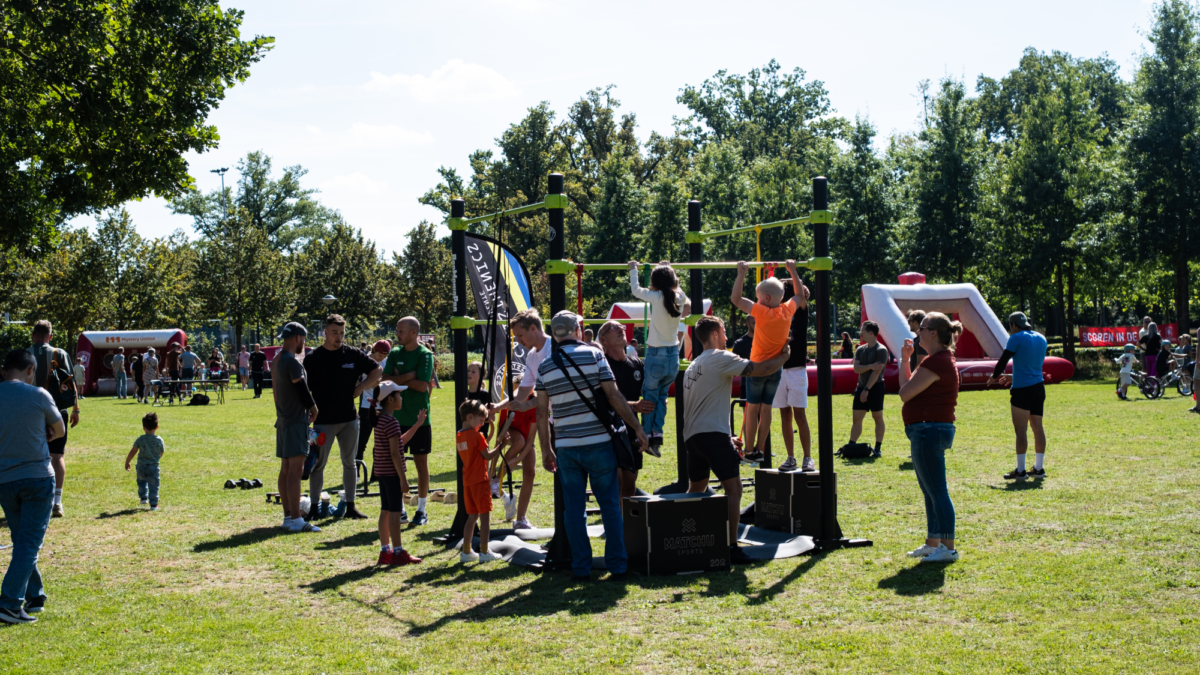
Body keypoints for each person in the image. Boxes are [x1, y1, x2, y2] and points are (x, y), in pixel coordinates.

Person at [535, 311, 648, 581]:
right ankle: (618, 565)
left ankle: (581, 567)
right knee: (610, 504)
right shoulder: (595, 356)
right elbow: (613, 395)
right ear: (577, 329)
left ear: (554, 334)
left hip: (565, 446)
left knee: (573, 509)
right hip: (598, 442)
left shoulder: (545, 366)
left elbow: (541, 414)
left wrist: (546, 449)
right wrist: (637, 427)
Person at [683, 316, 790, 565]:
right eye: (723, 332)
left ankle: (688, 537)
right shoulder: (720, 357)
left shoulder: (694, 363)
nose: (727, 337)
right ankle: (731, 547)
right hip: (711, 435)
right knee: (734, 489)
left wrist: (724, 436)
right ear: (715, 334)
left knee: (695, 491)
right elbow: (760, 370)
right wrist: (784, 357)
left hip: (694, 437)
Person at [0, 349, 66, 624]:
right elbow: (59, 430)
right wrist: (45, 431)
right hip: (37, 477)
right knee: (29, 544)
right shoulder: (38, 394)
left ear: (4, 371)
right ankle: (10, 604)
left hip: (5, 480)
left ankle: (35, 595)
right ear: (31, 370)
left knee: (22, 540)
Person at [898, 312, 963, 564]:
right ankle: (933, 543)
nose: (918, 332)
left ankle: (948, 547)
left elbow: (904, 395)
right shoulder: (935, 360)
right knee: (930, 491)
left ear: (933, 333)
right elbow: (905, 389)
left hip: (929, 430)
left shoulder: (936, 362)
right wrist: (905, 360)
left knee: (937, 492)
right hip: (928, 429)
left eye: (922, 328)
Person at [304, 314, 382, 521]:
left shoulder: (353, 354)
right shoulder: (313, 358)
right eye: (335, 333)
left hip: (349, 419)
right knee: (318, 464)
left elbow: (377, 370)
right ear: (325, 333)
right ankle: (313, 507)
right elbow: (303, 389)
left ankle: (351, 506)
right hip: (322, 421)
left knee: (350, 463)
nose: (339, 337)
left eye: (342, 333)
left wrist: (361, 387)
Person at [731, 260, 804, 464]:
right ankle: (759, 450)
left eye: (757, 297)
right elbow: (798, 295)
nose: (756, 300)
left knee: (752, 409)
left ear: (766, 298)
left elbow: (736, 299)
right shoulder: (787, 311)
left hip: (757, 368)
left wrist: (741, 274)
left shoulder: (761, 312)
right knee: (766, 409)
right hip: (776, 369)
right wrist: (793, 271)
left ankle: (749, 449)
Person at [629, 260, 691, 450]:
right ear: (674, 282)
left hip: (656, 354)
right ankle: (658, 432)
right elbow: (686, 302)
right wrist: (670, 270)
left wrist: (634, 269)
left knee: (649, 396)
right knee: (662, 395)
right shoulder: (679, 298)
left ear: (654, 284)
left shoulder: (655, 297)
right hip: (673, 354)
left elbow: (636, 290)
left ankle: (647, 434)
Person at [381, 317, 435, 526]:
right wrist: (409, 376)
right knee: (395, 464)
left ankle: (421, 510)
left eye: (401, 330)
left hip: (420, 419)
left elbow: (423, 386)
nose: (397, 334)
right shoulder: (394, 353)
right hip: (396, 419)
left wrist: (399, 378)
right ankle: (400, 509)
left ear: (414, 333)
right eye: (397, 330)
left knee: (421, 464)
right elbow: (385, 381)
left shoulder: (425, 354)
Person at [598, 320, 657, 499]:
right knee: (617, 482)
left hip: (632, 430)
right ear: (603, 339)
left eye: (621, 327)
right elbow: (603, 400)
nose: (621, 329)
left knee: (630, 484)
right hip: (609, 431)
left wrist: (656, 403)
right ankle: (616, 524)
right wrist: (634, 405)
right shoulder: (601, 365)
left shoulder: (636, 363)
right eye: (614, 327)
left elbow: (652, 390)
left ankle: (624, 524)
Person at [27, 320, 79, 518]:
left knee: (32, 456)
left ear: (33, 335)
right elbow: (70, 382)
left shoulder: (24, 355)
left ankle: (35, 500)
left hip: (29, 412)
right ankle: (57, 502)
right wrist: (76, 409)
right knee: (57, 456)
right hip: (56, 411)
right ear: (50, 336)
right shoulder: (60, 353)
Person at [988, 311, 1049, 481]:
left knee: (1021, 430)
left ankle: (1021, 471)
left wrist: (994, 376)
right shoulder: (1041, 338)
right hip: (1039, 387)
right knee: (1038, 428)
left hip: (1022, 390)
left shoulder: (1016, 337)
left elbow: (1003, 360)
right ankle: (1038, 468)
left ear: (1013, 325)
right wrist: (1013, 376)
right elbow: (1032, 366)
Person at [273, 322, 320, 533]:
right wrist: (313, 407)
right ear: (298, 338)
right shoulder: (291, 361)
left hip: (282, 420)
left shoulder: (276, 360)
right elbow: (300, 385)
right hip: (295, 420)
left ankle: (287, 517)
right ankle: (296, 519)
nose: (304, 343)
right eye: (304, 339)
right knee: (295, 471)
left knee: (285, 470)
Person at [373, 381, 423, 566]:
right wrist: (403, 478)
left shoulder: (380, 419)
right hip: (392, 474)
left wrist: (417, 425)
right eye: (399, 395)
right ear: (391, 399)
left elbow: (398, 443)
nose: (401, 398)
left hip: (381, 472)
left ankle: (385, 551)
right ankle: (398, 552)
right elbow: (395, 453)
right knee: (395, 512)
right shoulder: (392, 421)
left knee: (385, 511)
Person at [773, 275, 812, 472]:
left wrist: (796, 278)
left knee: (800, 415)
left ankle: (807, 458)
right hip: (779, 369)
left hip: (796, 369)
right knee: (785, 415)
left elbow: (799, 291)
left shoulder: (800, 312)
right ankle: (791, 457)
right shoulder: (775, 312)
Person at [457, 399, 503, 563]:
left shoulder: (460, 435)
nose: (482, 424)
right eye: (481, 420)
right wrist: (501, 445)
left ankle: (467, 551)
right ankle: (484, 551)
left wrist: (489, 430)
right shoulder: (477, 435)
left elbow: (483, 443)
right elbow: (488, 454)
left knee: (472, 517)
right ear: (470, 417)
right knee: (485, 517)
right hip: (480, 480)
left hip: (468, 481)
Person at [493, 374, 535, 524]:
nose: (517, 397)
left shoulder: (533, 405)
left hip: (526, 438)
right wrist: (496, 466)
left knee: (530, 472)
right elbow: (500, 439)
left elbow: (531, 440)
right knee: (519, 441)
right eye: (515, 393)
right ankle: (498, 479)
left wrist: (517, 459)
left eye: (521, 392)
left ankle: (521, 518)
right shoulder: (508, 405)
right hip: (512, 434)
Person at [850, 320, 889, 458]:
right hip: (861, 387)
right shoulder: (860, 349)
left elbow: (876, 372)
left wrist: (867, 389)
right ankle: (851, 446)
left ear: (871, 333)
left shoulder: (881, 350)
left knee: (877, 417)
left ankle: (878, 447)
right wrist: (871, 366)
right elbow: (856, 368)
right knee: (856, 419)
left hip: (875, 387)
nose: (861, 333)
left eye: (863, 331)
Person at [356, 340, 391, 464]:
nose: (382, 358)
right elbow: (357, 385)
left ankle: (376, 474)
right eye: (380, 356)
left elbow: (387, 381)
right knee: (362, 441)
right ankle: (358, 473)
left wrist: (374, 383)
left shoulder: (386, 362)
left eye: (385, 356)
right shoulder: (363, 361)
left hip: (383, 405)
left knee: (381, 442)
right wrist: (371, 383)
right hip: (366, 406)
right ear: (374, 351)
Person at [124, 412, 165, 510]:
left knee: (141, 481)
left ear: (144, 427)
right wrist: (156, 458)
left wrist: (127, 461)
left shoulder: (140, 439)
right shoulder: (159, 440)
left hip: (141, 466)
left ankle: (143, 497)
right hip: (153, 467)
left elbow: (133, 451)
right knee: (153, 485)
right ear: (157, 427)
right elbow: (161, 452)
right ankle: (154, 504)